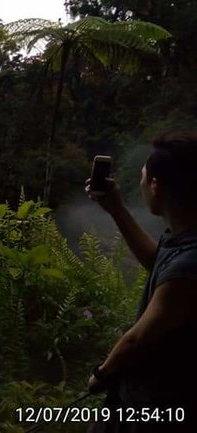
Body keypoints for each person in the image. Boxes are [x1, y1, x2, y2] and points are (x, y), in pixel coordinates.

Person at [84, 132, 197, 432]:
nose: (141, 183)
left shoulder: (190, 264)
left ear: (156, 187)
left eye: (143, 177)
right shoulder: (184, 239)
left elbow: (138, 339)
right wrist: (116, 208)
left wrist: (102, 374)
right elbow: (158, 263)